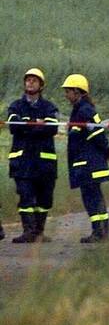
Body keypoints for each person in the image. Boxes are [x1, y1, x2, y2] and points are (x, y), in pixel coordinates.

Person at [6, 68, 59, 243]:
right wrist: (38, 124)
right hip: (22, 161)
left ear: (41, 85)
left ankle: (39, 232)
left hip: (45, 163)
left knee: (44, 199)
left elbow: (52, 128)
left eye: (34, 80)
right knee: (25, 196)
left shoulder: (49, 107)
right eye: (27, 80)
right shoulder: (16, 106)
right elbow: (14, 126)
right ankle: (28, 231)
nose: (30, 82)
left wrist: (27, 126)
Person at [63, 74, 109, 243]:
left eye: (68, 91)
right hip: (88, 164)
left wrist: (107, 151)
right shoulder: (80, 110)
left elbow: (98, 134)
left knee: (93, 198)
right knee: (93, 197)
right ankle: (100, 231)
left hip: (90, 164)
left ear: (78, 91)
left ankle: (100, 232)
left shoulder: (84, 111)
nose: (66, 95)